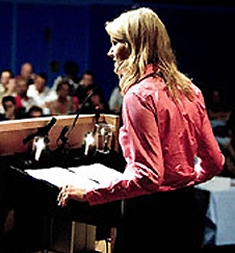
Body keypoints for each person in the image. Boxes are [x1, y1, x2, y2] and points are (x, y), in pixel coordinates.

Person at [57, 7, 224, 253]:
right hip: (187, 211)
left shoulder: (139, 95)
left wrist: (90, 193)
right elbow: (215, 162)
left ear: (136, 45)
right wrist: (183, 181)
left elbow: (148, 177)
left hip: (149, 218)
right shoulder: (190, 89)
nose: (110, 51)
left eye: (116, 43)